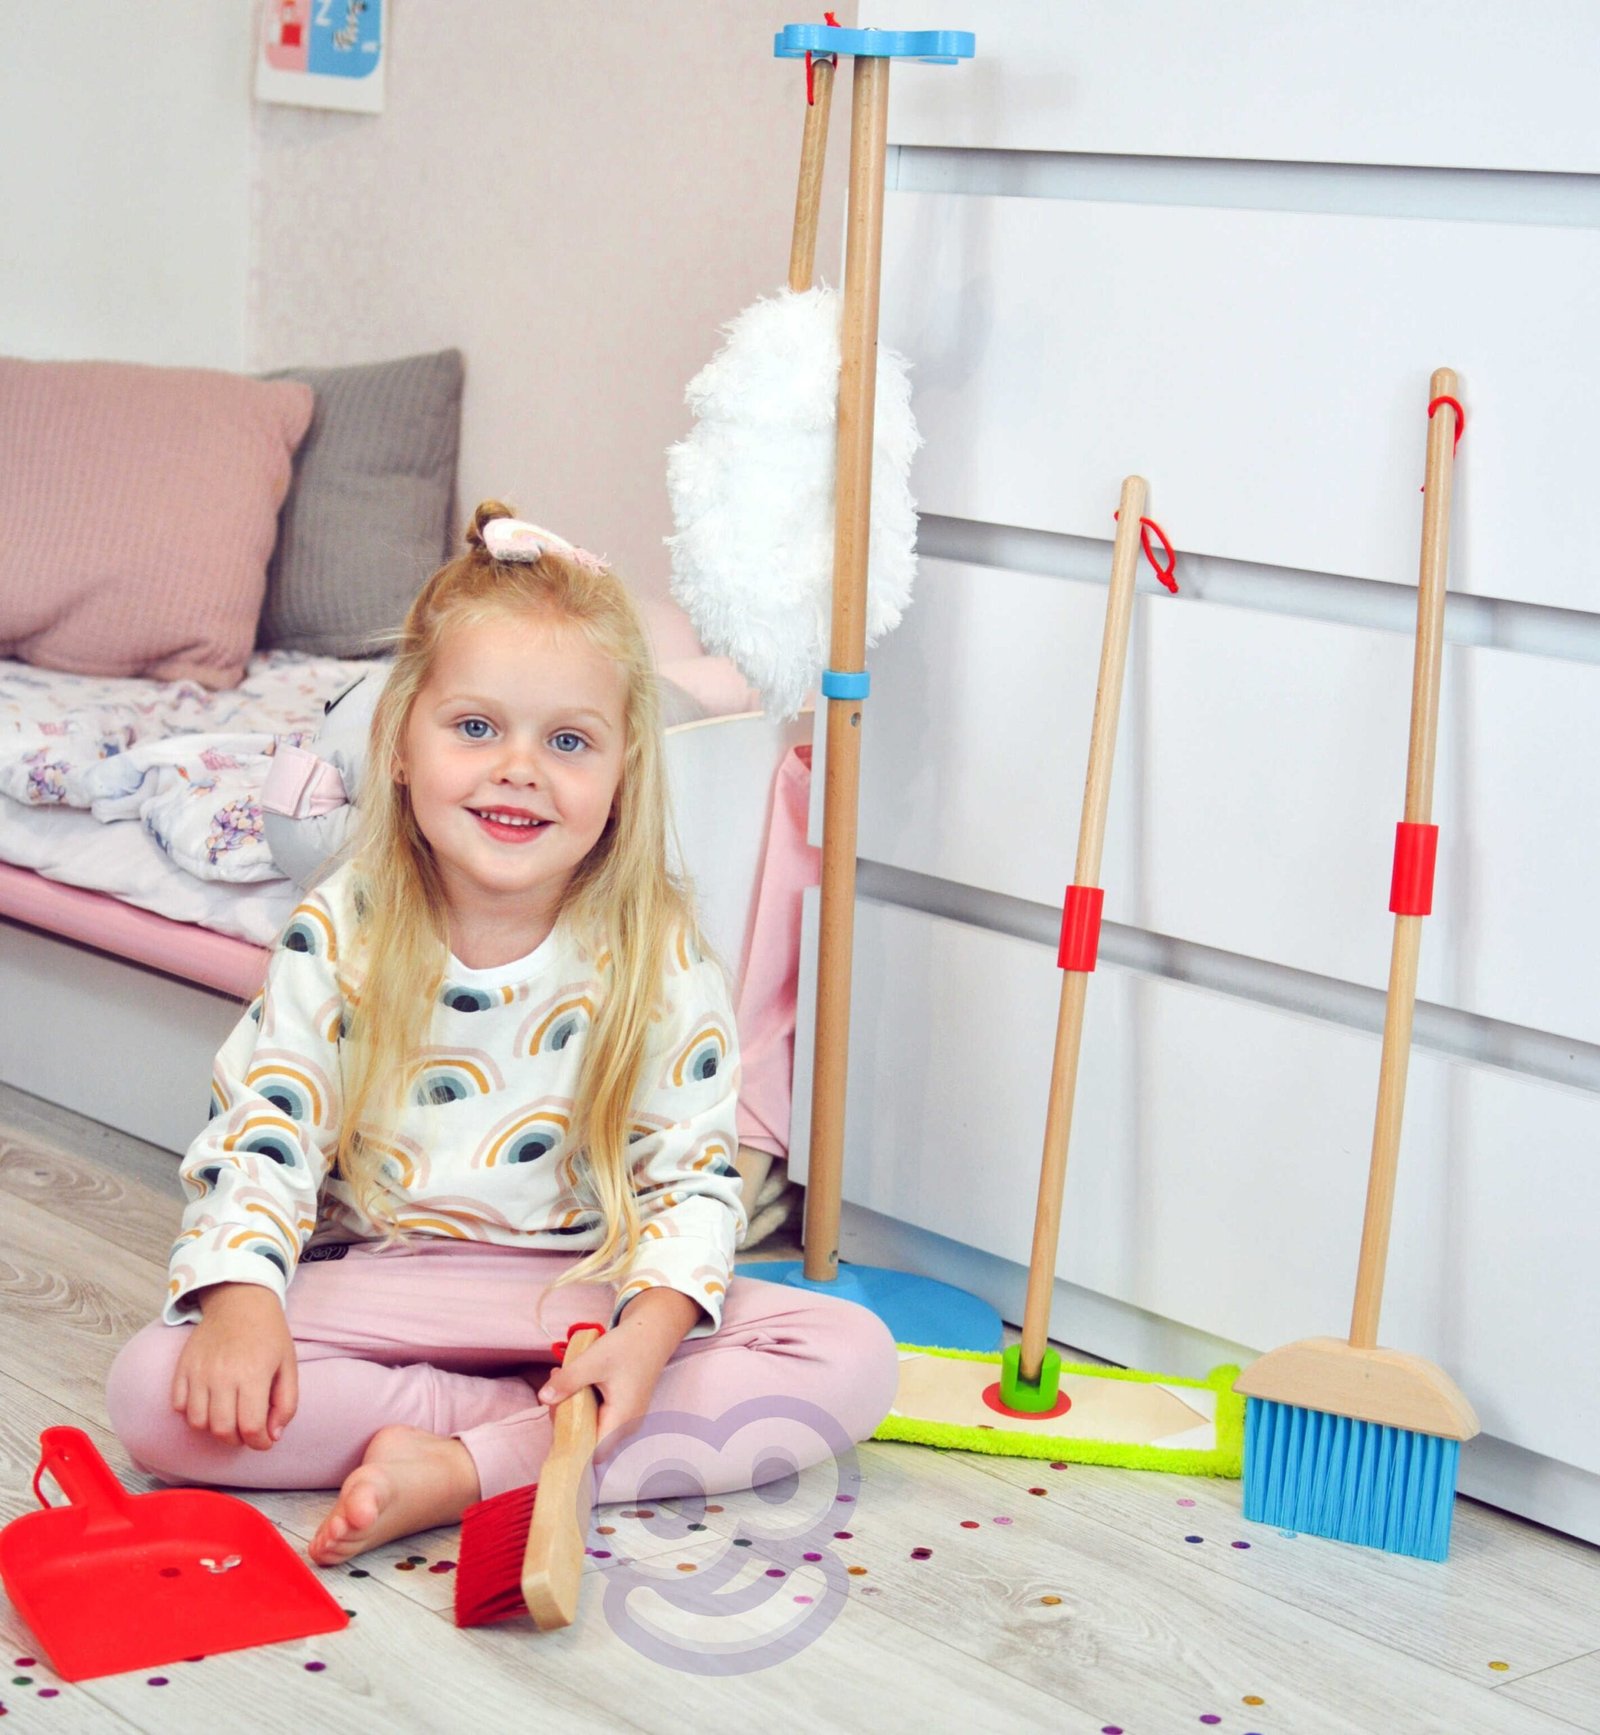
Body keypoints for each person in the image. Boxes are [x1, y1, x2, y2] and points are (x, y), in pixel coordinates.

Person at [107, 503, 898, 1565]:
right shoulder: (342, 925)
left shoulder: (657, 950)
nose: (519, 767)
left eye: (567, 741)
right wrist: (243, 1304)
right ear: (401, 746)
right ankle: (524, 1438)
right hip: (380, 1279)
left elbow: (692, 1185)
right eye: (476, 728)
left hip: (578, 1289)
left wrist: (643, 1339)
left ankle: (464, 1467)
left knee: (850, 1354)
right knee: (154, 1392)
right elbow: (266, 1133)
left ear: (621, 774)